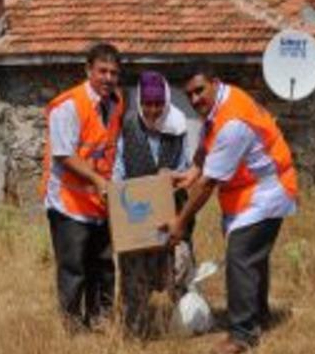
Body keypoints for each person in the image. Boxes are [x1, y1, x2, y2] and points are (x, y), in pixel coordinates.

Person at [166, 66, 298, 354]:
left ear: (215, 83)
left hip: (266, 193)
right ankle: (258, 315)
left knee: (240, 258)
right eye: (189, 94)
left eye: (200, 90)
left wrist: (180, 222)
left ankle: (242, 335)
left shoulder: (232, 122)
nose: (195, 98)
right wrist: (192, 171)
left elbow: (206, 186)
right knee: (253, 260)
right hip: (253, 193)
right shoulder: (220, 107)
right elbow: (205, 147)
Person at [41, 42, 125, 331]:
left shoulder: (115, 103)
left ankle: (100, 318)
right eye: (102, 71)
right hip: (69, 203)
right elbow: (64, 154)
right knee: (73, 267)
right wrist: (98, 180)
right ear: (88, 70)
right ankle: (72, 324)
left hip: (99, 203)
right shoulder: (69, 106)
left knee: (102, 265)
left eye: (114, 72)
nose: (108, 78)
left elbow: (111, 147)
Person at [112, 70, 195, 337]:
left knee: (179, 269)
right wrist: (116, 189)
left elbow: (186, 166)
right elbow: (119, 166)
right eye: (147, 103)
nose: (153, 109)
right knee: (134, 276)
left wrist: (172, 176)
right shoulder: (128, 125)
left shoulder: (179, 125)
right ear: (140, 102)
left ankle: (183, 327)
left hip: (173, 213)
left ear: (167, 101)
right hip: (136, 218)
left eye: (158, 103)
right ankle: (136, 331)